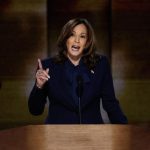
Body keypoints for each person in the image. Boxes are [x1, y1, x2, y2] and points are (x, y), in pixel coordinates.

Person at [28, 18, 128, 124]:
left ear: (87, 42)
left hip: (92, 134)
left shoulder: (100, 64)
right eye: (72, 35)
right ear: (65, 38)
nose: (77, 40)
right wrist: (39, 86)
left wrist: (125, 131)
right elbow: (35, 110)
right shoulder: (48, 67)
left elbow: (110, 103)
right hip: (58, 135)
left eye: (82, 36)